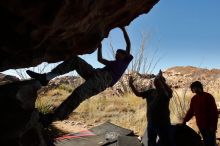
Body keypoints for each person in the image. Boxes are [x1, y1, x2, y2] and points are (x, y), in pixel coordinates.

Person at [26, 27, 133, 125]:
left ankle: (53, 117)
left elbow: (128, 44)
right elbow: (99, 59)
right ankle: (46, 77)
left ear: (124, 55)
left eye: (118, 53)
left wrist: (123, 30)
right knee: (75, 60)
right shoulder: (112, 63)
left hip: (103, 80)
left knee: (78, 94)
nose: (116, 54)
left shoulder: (125, 61)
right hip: (96, 73)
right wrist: (100, 47)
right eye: (116, 53)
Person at [129, 70, 173, 146]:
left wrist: (161, 80)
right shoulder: (151, 91)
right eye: (157, 81)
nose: (157, 82)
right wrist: (131, 85)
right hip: (151, 122)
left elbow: (170, 92)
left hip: (163, 123)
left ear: (163, 83)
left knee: (165, 141)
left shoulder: (165, 93)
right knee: (151, 141)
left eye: (161, 82)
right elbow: (138, 94)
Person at [183, 81, 218, 146]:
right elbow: (191, 111)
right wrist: (185, 120)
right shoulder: (194, 99)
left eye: (193, 88)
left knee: (211, 143)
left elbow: (214, 112)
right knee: (206, 141)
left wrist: (213, 126)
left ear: (198, 87)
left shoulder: (208, 97)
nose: (192, 90)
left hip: (209, 126)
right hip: (201, 125)